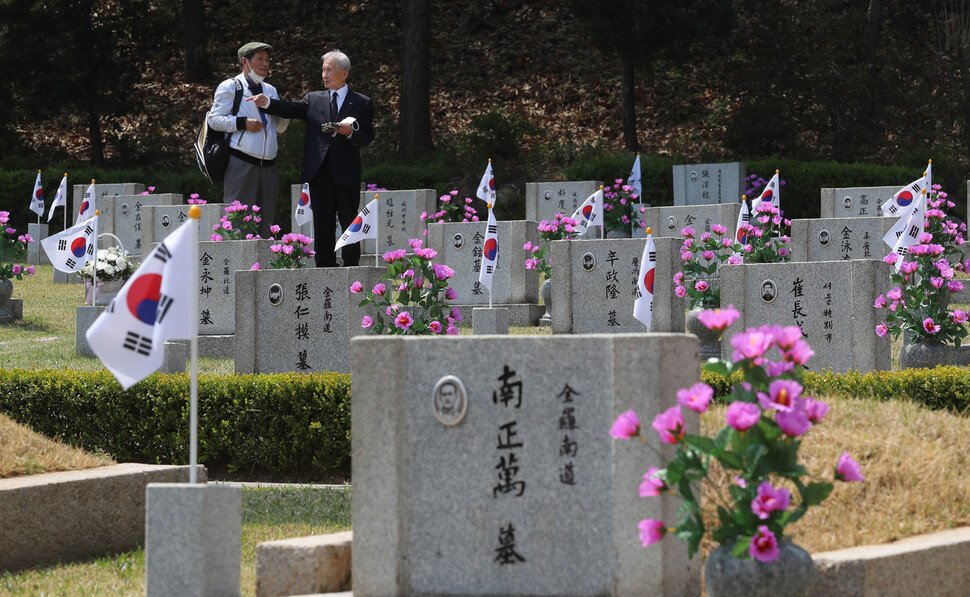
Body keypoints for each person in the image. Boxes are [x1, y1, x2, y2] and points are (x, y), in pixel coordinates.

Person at [249, 49, 374, 267]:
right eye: (323, 70)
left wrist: (351, 133)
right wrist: (266, 102)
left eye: (329, 70)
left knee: (349, 221)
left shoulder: (361, 102)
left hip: (346, 173)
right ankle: (325, 267)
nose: (324, 74)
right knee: (322, 222)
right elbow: (291, 109)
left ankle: (352, 267)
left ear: (344, 73)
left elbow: (367, 136)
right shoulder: (313, 99)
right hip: (319, 172)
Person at [207, 41, 289, 238]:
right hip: (241, 163)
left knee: (266, 222)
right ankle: (236, 266)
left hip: (269, 165)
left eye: (267, 60)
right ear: (245, 61)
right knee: (239, 223)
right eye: (259, 59)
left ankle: (260, 267)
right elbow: (214, 120)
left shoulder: (270, 90)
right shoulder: (231, 86)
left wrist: (284, 112)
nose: (265, 64)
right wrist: (243, 123)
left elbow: (280, 127)